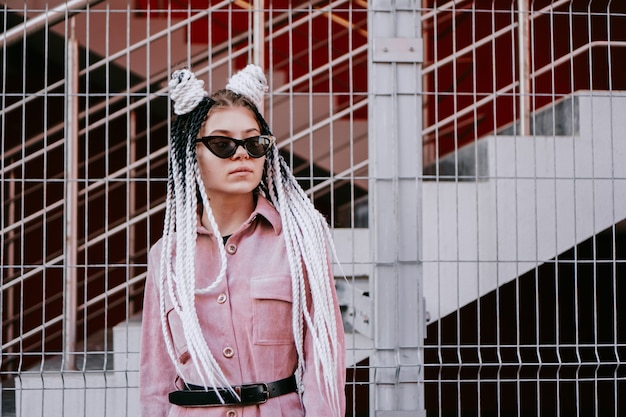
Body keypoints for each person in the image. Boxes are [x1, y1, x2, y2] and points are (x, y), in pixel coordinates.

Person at [139, 64, 346, 417]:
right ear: (192, 155)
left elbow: (325, 366)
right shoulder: (168, 256)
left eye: (254, 142)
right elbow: (156, 381)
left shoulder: (299, 243)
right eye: (222, 143)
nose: (241, 154)